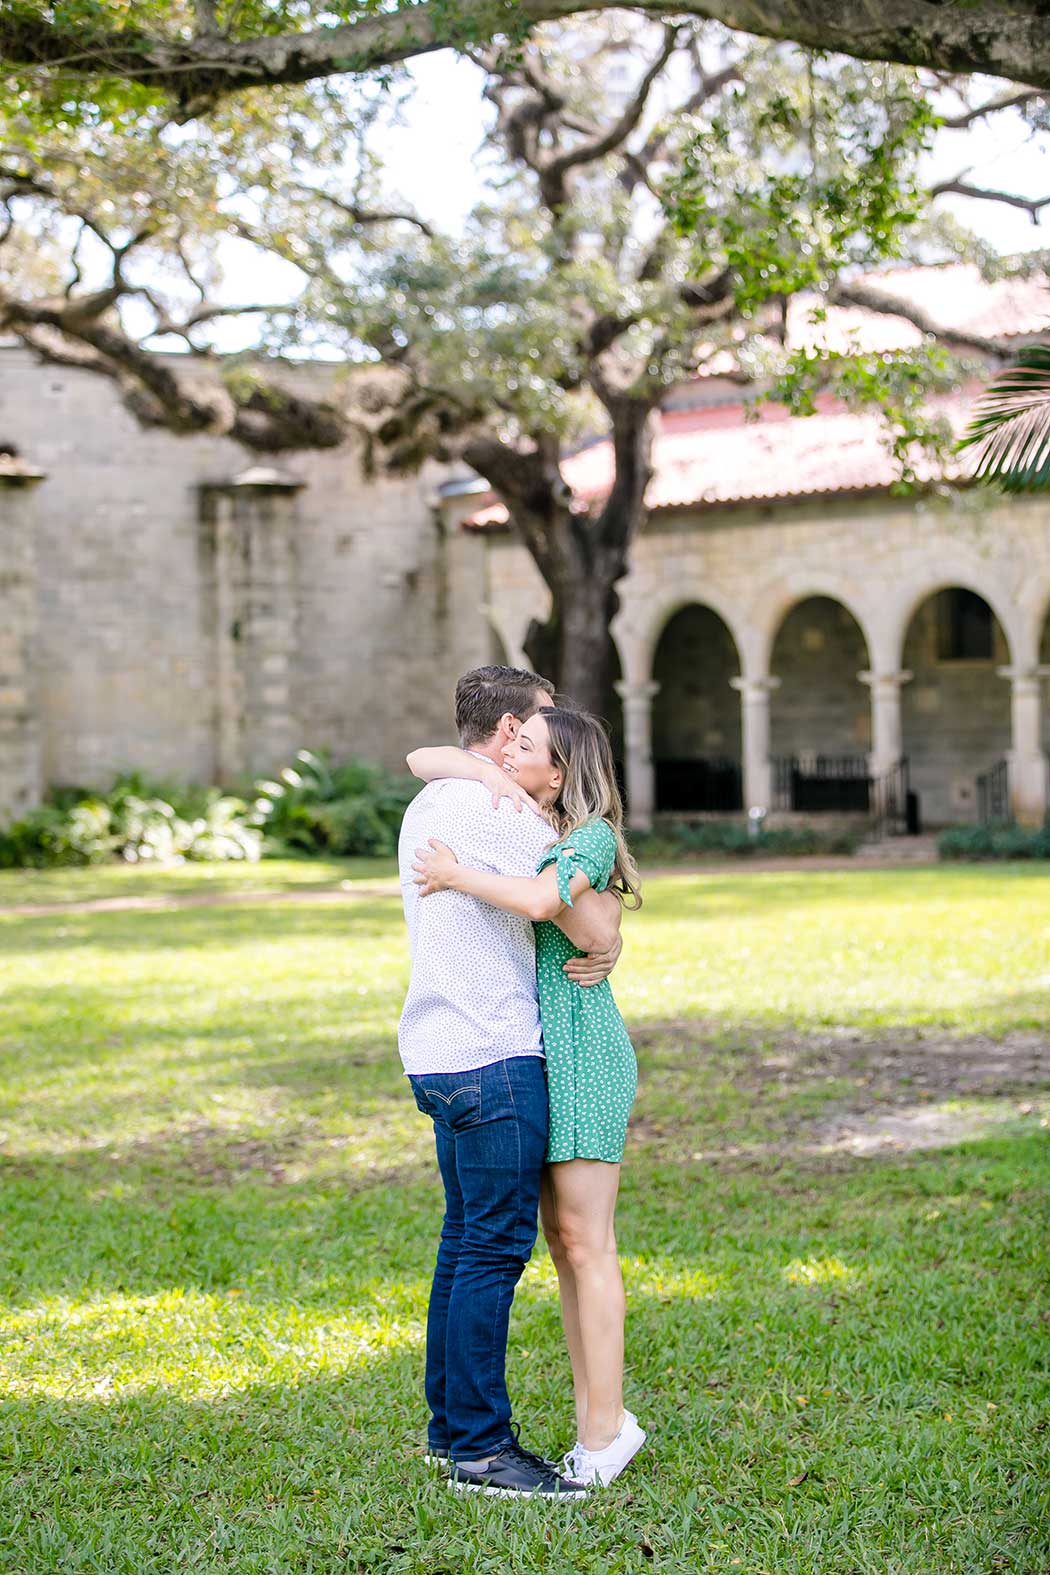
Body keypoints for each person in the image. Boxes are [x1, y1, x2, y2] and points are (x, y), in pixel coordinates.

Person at [397, 666, 624, 1498]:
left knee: (463, 1243)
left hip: (437, 1052)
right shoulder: (502, 811)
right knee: (492, 1252)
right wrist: (614, 936)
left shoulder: (437, 802)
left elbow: (427, 758)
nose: (541, 735)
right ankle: (483, 1452)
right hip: (495, 1054)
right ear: (506, 737)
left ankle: (449, 1431)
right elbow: (587, 920)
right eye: (534, 725)